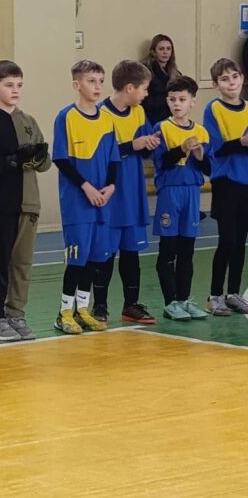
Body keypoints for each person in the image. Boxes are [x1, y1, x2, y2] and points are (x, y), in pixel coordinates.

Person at [0, 61, 49, 342]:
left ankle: (16, 313)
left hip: (28, 203)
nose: (15, 90)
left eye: (19, 85)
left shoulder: (28, 121)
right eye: (8, 85)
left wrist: (36, 156)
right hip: (0, 203)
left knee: (22, 263)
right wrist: (13, 160)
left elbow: (44, 162)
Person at [51, 62, 119, 335]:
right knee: (77, 259)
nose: (97, 86)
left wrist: (111, 186)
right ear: (77, 84)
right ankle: (64, 312)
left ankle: (83, 309)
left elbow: (114, 158)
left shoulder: (107, 120)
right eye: (91, 80)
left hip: (102, 200)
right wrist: (86, 187)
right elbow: (61, 159)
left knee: (95, 258)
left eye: (100, 80)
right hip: (78, 202)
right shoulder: (66, 117)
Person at [92, 61, 159, 325]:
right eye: (144, 88)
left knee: (131, 252)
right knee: (105, 253)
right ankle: (99, 305)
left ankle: (131, 304)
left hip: (132, 192)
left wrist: (151, 143)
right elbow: (98, 154)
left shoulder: (139, 113)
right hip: (110, 193)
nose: (146, 94)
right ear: (130, 87)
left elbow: (145, 145)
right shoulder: (99, 114)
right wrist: (132, 145)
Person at [152, 77, 211, 320]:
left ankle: (184, 300)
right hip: (170, 192)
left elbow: (209, 168)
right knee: (168, 249)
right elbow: (162, 162)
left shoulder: (201, 132)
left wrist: (200, 155)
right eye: (173, 99)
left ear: (193, 101)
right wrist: (182, 149)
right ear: (167, 101)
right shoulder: (162, 128)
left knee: (187, 250)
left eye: (182, 99)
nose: (177, 104)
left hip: (191, 193)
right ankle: (170, 302)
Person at [202, 58, 248, 315]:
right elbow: (216, 148)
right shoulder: (214, 109)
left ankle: (233, 293)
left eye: (235, 77)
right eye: (224, 79)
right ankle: (214, 295)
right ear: (215, 84)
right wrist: (240, 142)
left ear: (242, 78)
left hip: (246, 183)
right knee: (227, 240)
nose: (231, 83)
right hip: (225, 182)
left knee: (241, 242)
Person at [143, 34, 180, 125]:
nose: (165, 52)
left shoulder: (175, 73)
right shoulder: (146, 71)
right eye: (161, 49)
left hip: (171, 119)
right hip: (151, 118)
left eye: (168, 49)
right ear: (153, 51)